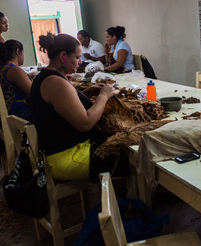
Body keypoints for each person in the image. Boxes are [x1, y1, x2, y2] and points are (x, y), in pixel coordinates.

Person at [30, 32, 120, 181]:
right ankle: (124, 201)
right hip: (69, 158)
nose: (79, 62)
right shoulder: (55, 82)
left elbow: (61, 104)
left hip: (62, 152)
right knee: (125, 153)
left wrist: (84, 93)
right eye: (77, 57)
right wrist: (103, 96)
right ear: (63, 56)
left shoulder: (46, 76)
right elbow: (85, 123)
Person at [0, 40, 32, 121]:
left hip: (8, 113)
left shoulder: (3, 68)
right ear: (18, 52)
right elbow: (34, 93)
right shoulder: (14, 69)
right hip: (20, 114)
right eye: (23, 53)